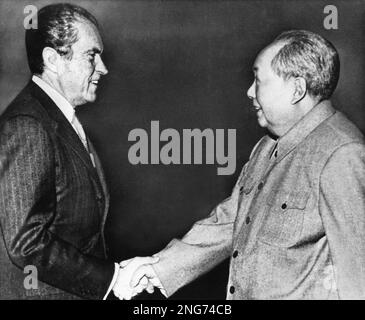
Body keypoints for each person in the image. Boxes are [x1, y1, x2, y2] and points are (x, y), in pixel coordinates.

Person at [125, 30, 365, 299]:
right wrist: (157, 268)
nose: (249, 91)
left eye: (259, 80)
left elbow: (358, 277)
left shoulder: (343, 154)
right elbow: (231, 222)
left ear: (297, 89)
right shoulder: (267, 147)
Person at [0, 3, 158, 300]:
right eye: (91, 56)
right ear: (53, 59)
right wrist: (111, 278)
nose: (103, 68)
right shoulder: (28, 125)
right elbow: (25, 243)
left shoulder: (59, 120)